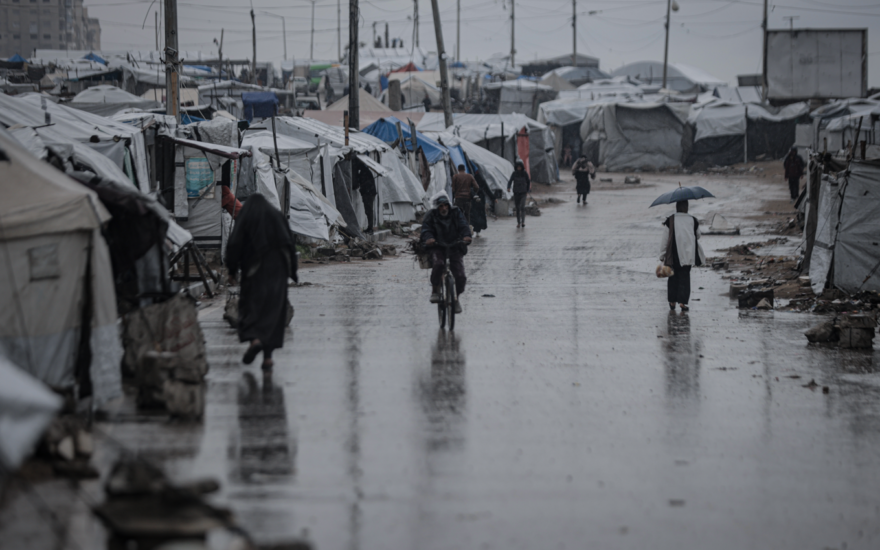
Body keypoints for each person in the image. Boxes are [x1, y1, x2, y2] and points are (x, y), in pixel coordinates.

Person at [225, 194, 299, 371]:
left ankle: (255, 340)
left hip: (255, 270)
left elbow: (235, 243)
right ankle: (268, 358)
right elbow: (289, 244)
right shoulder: (276, 215)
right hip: (279, 271)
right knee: (273, 312)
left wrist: (232, 269)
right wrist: (293, 272)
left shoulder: (246, 216)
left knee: (252, 307)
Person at [421, 191, 472, 313]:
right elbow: (426, 229)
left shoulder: (456, 212)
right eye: (441, 206)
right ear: (437, 207)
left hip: (455, 245)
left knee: (460, 276)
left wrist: (466, 236)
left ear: (449, 205)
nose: (443, 208)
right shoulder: (431, 215)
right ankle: (435, 289)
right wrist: (429, 239)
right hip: (437, 245)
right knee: (438, 264)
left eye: (445, 205)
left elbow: (463, 225)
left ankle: (456, 299)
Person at [659, 200, 705, 312]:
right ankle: (682, 303)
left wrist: (662, 254)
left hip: (674, 254)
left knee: (673, 278)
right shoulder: (693, 220)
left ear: (676, 207)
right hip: (688, 255)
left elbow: (665, 239)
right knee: (684, 278)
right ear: (687, 207)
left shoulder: (670, 220)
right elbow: (698, 235)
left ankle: (672, 302)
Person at [471, 166, 496, 237]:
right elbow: (486, 188)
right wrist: (493, 198)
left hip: (474, 199)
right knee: (478, 215)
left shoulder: (471, 178)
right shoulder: (479, 178)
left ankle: (475, 229)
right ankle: (477, 230)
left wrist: (493, 198)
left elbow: (486, 188)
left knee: (474, 214)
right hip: (479, 199)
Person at [354, 160, 377, 234]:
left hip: (368, 194)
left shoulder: (364, 173)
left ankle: (370, 228)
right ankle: (369, 227)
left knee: (369, 211)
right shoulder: (365, 171)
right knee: (368, 211)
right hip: (369, 193)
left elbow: (363, 183)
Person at [507, 159, 531, 228]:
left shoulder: (524, 173)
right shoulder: (514, 174)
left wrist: (527, 190)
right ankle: (518, 222)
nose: (519, 168)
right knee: (517, 208)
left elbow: (528, 181)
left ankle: (523, 222)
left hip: (523, 193)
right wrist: (508, 187)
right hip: (516, 192)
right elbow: (510, 181)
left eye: (520, 167)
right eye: (518, 167)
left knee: (522, 207)